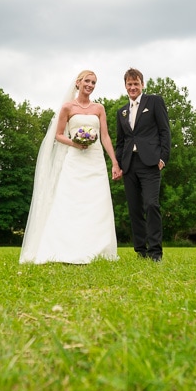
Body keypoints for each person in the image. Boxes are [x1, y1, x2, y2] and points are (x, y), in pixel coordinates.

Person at [20, 70, 122, 264]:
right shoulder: (67, 107)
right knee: (71, 201)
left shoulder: (99, 108)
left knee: (96, 201)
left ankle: (97, 249)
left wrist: (114, 162)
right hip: (75, 159)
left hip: (95, 159)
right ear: (78, 82)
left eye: (93, 82)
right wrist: (75, 143)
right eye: (87, 81)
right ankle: (65, 248)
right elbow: (58, 134)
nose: (90, 85)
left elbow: (105, 136)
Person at [115, 68, 171, 262]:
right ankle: (141, 251)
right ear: (125, 86)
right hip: (129, 165)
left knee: (151, 204)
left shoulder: (154, 102)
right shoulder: (121, 111)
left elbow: (165, 131)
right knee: (134, 208)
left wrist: (163, 157)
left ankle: (156, 252)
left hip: (150, 163)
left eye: (136, 83)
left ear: (142, 84)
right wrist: (118, 164)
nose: (132, 87)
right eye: (129, 84)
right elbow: (121, 142)